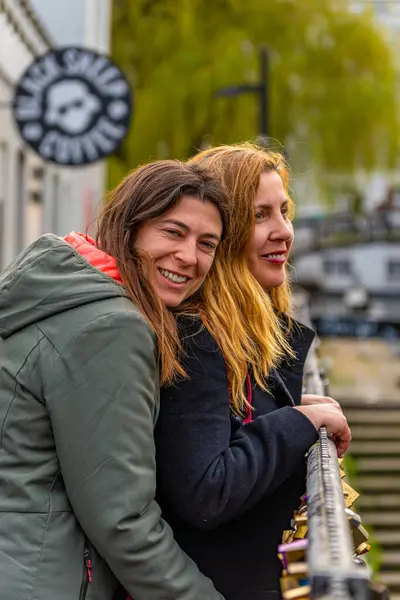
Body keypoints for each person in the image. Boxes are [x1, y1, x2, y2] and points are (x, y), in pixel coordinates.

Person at [0, 160, 230, 600]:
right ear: (129, 229)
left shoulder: (58, 294)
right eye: (172, 232)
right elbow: (123, 520)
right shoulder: (112, 328)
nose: (189, 257)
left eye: (208, 244)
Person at [155, 144, 351, 600]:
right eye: (260, 215)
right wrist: (299, 422)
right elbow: (207, 488)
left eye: (283, 211)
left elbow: (227, 428)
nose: (284, 231)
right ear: (223, 231)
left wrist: (290, 408)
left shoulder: (233, 331)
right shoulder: (198, 337)